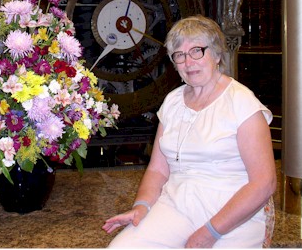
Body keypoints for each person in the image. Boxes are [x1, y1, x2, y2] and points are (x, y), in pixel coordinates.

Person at [103, 15, 276, 248]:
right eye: (180, 55)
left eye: (197, 51)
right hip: (177, 207)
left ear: (216, 54)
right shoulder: (172, 102)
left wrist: (210, 232)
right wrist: (141, 206)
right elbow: (157, 170)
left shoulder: (242, 103)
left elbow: (264, 183)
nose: (188, 62)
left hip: (233, 213)